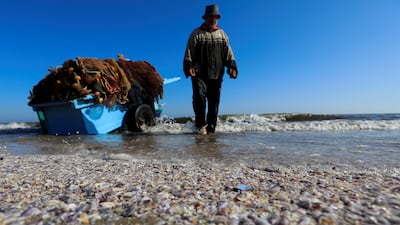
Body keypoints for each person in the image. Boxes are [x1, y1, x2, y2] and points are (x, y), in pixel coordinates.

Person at [183, 4, 238, 134]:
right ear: (205, 17)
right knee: (199, 99)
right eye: (211, 17)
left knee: (214, 103)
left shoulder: (222, 35)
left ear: (217, 18)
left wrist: (232, 67)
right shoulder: (196, 33)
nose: (213, 19)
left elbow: (228, 53)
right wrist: (188, 66)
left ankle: (211, 128)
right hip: (199, 74)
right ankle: (201, 125)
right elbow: (189, 51)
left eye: (215, 17)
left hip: (216, 74)